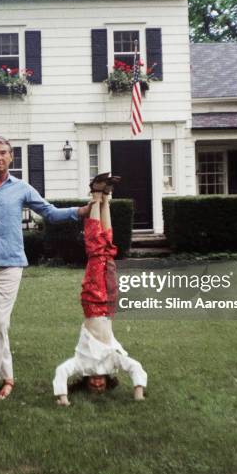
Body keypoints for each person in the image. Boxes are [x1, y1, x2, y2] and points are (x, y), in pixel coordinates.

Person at [0, 136, 92, 404]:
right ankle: (8, 379)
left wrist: (81, 211)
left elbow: (50, 213)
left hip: (11, 263)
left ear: (11, 158)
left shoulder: (21, 188)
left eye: (3, 153)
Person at [53, 173, 147, 406]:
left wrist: (63, 398)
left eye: (93, 386)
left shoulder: (81, 364)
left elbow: (61, 372)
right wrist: (138, 392)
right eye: (101, 386)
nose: (97, 384)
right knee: (108, 247)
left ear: (85, 382)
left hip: (94, 303)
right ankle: (105, 197)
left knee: (96, 249)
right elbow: (135, 367)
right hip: (110, 305)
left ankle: (95, 194)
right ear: (107, 380)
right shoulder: (113, 362)